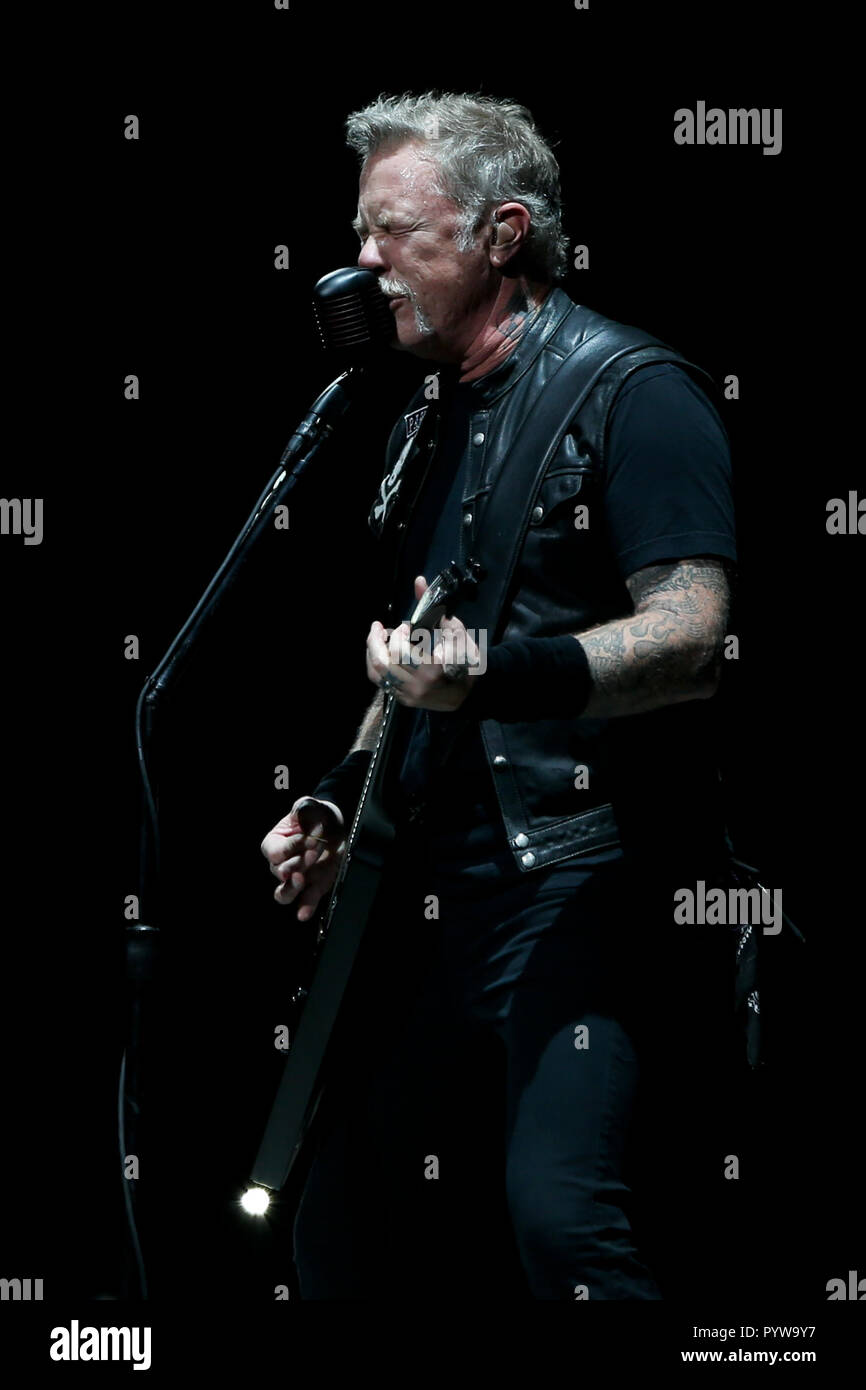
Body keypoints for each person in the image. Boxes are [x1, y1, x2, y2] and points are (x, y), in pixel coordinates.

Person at [260, 93, 740, 1300]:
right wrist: (333, 799)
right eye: (357, 233)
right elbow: (417, 658)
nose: (360, 262)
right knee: (337, 1234)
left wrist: (501, 677)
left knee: (562, 1226)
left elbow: (692, 636)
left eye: (390, 232)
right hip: (431, 889)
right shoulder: (415, 424)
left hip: (585, 876)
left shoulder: (635, 389)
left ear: (500, 233)